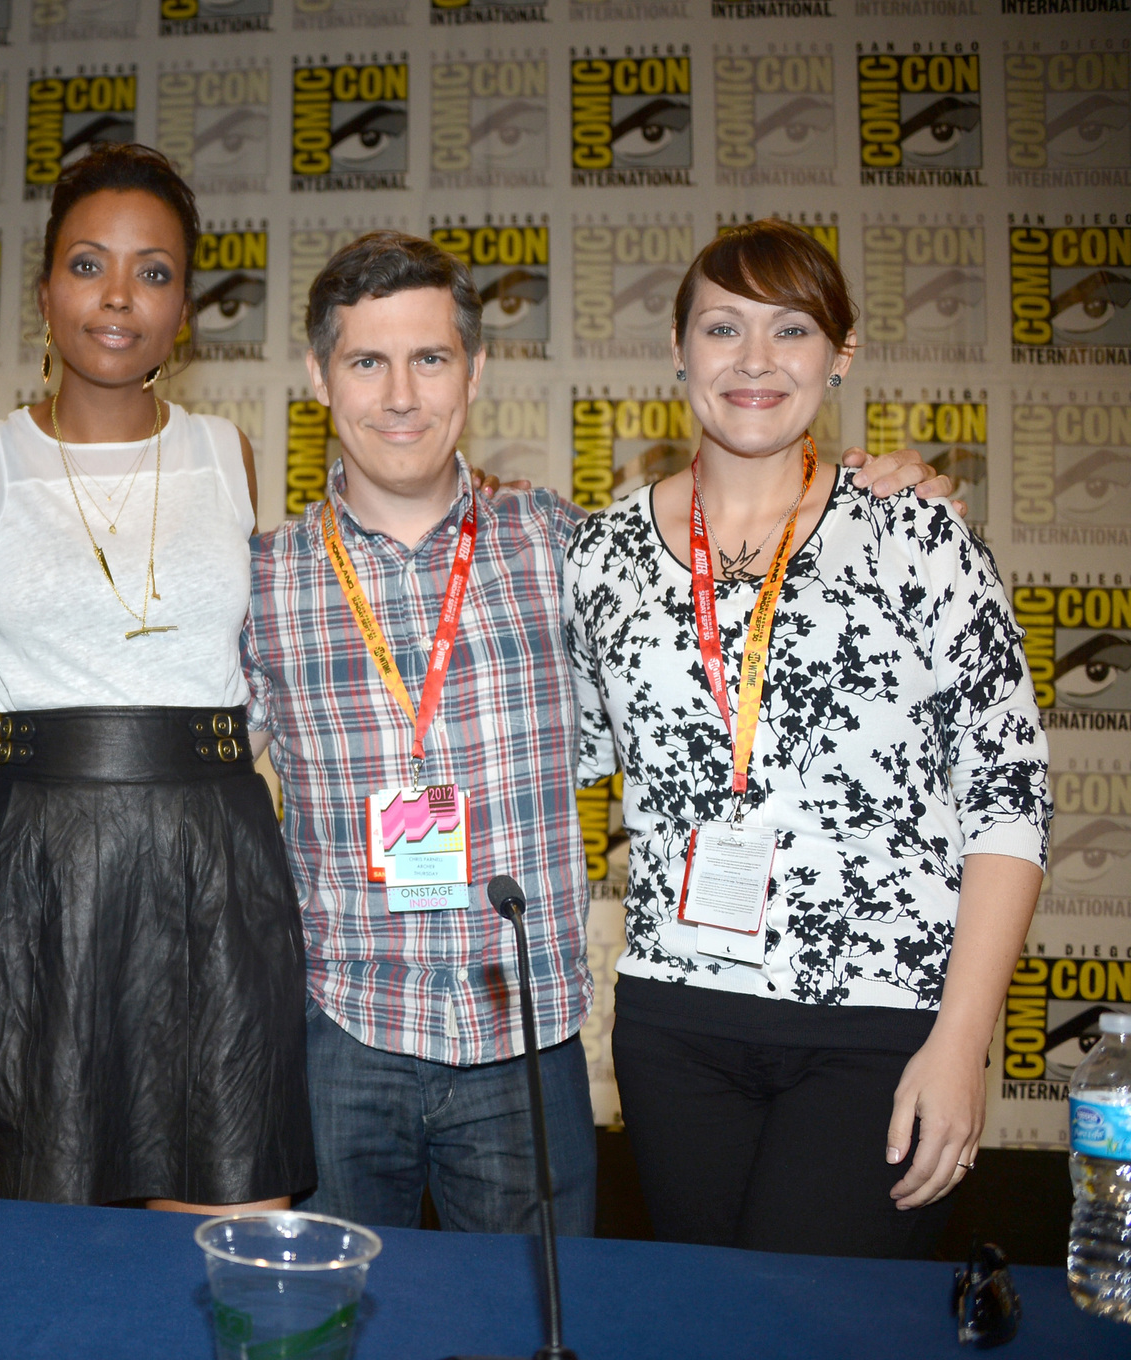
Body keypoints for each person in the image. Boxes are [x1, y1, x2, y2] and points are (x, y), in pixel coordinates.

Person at [242, 230, 959, 1236]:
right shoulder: (260, 580)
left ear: (474, 371)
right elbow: (197, 797)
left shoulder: (574, 547)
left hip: (524, 1043)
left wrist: (879, 489)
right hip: (340, 1038)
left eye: (429, 357)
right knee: (334, 1326)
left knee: (538, 1328)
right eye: (366, 360)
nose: (399, 394)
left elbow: (734, 579)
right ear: (319, 377)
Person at [564, 220, 1049, 1258]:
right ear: (676, 350)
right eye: (721, 328)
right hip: (672, 1020)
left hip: (878, 1027)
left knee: (817, 1325)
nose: (752, 361)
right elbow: (548, 753)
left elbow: (1007, 798)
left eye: (789, 330)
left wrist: (961, 1043)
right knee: (701, 1325)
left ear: (839, 354)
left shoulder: (917, 534)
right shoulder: (598, 555)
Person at [0, 143, 316, 1212]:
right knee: (38, 1212)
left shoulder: (227, 452)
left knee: (227, 1201)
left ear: (185, 307)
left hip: (216, 848)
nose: (117, 298)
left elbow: (269, 660)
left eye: (153, 272)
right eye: (88, 265)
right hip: (43, 850)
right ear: (43, 290)